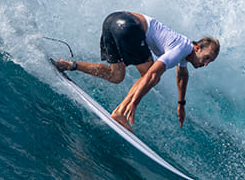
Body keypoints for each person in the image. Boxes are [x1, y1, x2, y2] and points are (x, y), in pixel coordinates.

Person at [55, 11, 220, 131]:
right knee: (153, 77)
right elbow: (152, 74)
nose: (206, 64)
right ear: (197, 48)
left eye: (210, 62)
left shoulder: (186, 52)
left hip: (112, 21)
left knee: (116, 75)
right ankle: (120, 113)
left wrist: (181, 104)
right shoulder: (182, 48)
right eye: (207, 58)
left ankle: (70, 65)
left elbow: (182, 75)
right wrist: (134, 103)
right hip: (130, 27)